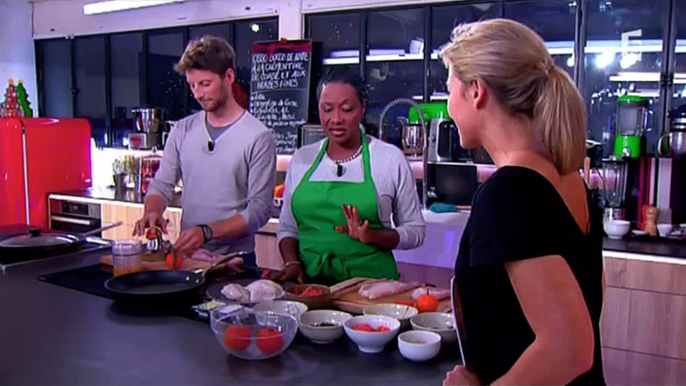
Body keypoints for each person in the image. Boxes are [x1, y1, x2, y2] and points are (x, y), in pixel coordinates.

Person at [440, 19, 606, 386]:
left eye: (450, 89)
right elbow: (587, 307)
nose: (449, 105)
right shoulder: (570, 182)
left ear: (476, 91)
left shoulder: (507, 193)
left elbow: (570, 349)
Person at [272, 68, 425, 285]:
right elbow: (288, 228)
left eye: (346, 109)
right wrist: (291, 263)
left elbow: (416, 231)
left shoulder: (389, 159)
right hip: (310, 286)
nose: (336, 119)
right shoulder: (302, 158)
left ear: (362, 108)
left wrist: (372, 236)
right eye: (327, 109)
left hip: (371, 289)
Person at [133, 35, 276, 268]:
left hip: (236, 260)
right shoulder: (182, 130)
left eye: (205, 84)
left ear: (229, 77)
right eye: (192, 85)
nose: (198, 94)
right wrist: (153, 210)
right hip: (188, 257)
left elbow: (259, 211)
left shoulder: (257, 136)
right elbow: (162, 185)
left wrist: (207, 232)